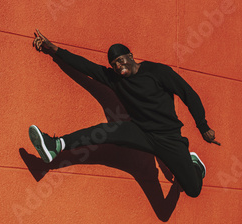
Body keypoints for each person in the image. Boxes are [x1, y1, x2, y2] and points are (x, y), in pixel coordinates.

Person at [29, 29, 220, 198]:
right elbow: (85, 66)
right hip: (140, 131)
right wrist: (52, 48)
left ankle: (194, 164)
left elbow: (189, 94)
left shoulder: (158, 72)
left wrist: (203, 126)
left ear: (130, 55)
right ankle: (55, 144)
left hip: (168, 137)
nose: (119, 68)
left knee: (193, 191)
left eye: (120, 61)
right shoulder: (115, 79)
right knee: (104, 132)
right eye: (114, 65)